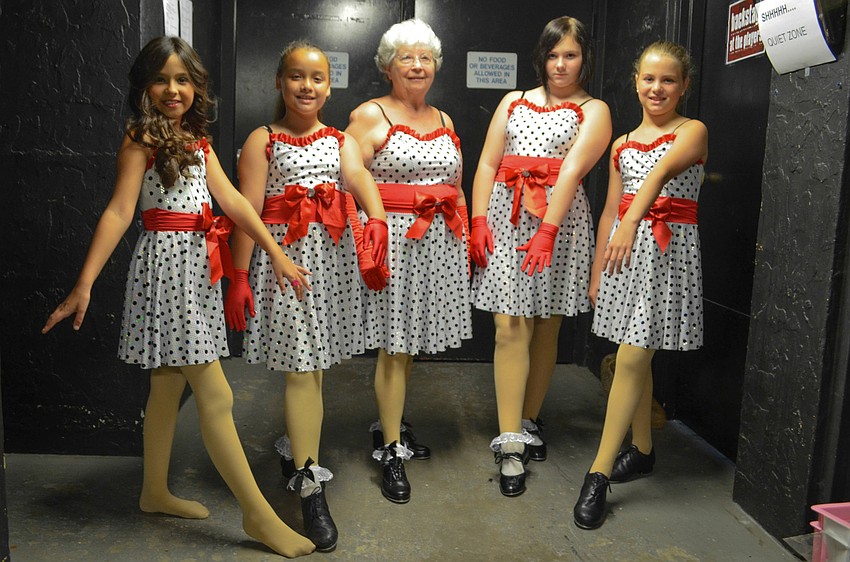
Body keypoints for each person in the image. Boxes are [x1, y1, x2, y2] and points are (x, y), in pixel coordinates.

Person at [41, 37, 315, 558]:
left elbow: (231, 199)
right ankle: (258, 516)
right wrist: (85, 284)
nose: (173, 89)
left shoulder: (197, 139)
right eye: (163, 79)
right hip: (166, 272)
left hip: (197, 270)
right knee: (217, 396)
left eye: (183, 79)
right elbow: (120, 212)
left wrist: (273, 251)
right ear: (145, 86)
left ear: (197, 86)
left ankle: (153, 490)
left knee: (166, 386)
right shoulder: (141, 137)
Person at [223, 40, 387, 552]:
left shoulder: (340, 139)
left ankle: (298, 451)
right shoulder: (263, 140)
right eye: (297, 76)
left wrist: (378, 217)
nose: (307, 86)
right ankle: (311, 487)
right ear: (279, 81)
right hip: (285, 265)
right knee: (300, 370)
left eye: (317, 78)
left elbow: (358, 176)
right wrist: (241, 275)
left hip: (331, 266)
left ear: (329, 86)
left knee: (314, 370)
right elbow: (247, 211)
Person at [470, 16, 611, 497]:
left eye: (570, 55)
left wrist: (548, 230)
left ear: (583, 59)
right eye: (553, 54)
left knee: (547, 323)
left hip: (561, 223)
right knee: (510, 325)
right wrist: (478, 220)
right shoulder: (514, 101)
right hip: (507, 218)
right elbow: (489, 161)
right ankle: (510, 444)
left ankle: (529, 419)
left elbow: (572, 172)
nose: (560, 64)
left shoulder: (595, 110)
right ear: (542, 57)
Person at [573, 40, 707, 530]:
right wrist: (596, 269)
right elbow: (610, 208)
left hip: (667, 255)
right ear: (635, 81)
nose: (657, 88)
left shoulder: (692, 131)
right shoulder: (622, 142)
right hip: (624, 257)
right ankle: (644, 451)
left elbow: (661, 174)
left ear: (684, 85)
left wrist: (631, 220)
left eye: (668, 80)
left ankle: (599, 473)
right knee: (637, 350)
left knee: (632, 355)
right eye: (649, 79)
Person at [345, 18, 472, 504]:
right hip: (394, 240)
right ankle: (391, 451)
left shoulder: (445, 120)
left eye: (425, 58)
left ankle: (390, 426)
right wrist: (366, 238)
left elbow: (454, 185)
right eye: (406, 58)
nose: (417, 66)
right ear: (386, 67)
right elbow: (348, 182)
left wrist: (465, 230)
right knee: (394, 348)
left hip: (437, 243)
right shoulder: (369, 115)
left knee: (408, 344)